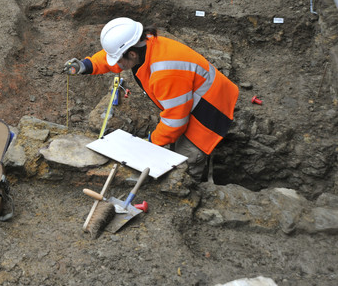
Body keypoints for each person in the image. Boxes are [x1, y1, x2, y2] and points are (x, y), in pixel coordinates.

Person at [63, 17, 239, 181]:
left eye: (118, 60)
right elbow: (112, 56)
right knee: (173, 144)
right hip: (195, 96)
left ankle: (197, 189)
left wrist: (151, 144)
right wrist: (86, 65)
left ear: (131, 54)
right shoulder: (145, 44)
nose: (116, 65)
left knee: (186, 162)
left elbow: (175, 122)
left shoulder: (164, 71)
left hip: (210, 110)